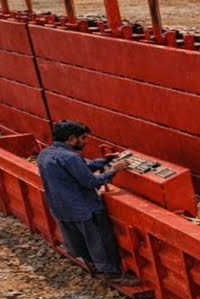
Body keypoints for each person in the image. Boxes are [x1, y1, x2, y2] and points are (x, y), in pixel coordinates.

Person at [36, 120, 134, 284]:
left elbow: (81, 169)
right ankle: (112, 274)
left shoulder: (46, 154)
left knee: (78, 241)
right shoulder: (71, 157)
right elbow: (90, 182)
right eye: (83, 138)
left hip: (60, 208)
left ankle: (93, 266)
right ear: (72, 138)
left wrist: (104, 161)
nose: (85, 141)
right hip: (83, 208)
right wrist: (113, 170)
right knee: (99, 241)